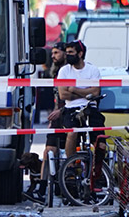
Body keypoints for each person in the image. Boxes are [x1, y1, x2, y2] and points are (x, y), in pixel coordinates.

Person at [57, 39, 105, 168]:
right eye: (66, 52)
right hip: (71, 109)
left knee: (101, 143)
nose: (67, 55)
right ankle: (71, 166)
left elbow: (95, 92)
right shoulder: (64, 71)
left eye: (71, 52)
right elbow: (63, 95)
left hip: (90, 108)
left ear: (80, 53)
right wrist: (85, 92)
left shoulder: (93, 70)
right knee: (71, 133)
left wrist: (73, 89)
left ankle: (98, 170)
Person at [38, 43, 68, 198]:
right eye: (52, 53)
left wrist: (60, 111)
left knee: (67, 153)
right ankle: (42, 189)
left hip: (69, 114)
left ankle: (64, 185)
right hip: (55, 117)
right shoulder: (53, 72)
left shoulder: (69, 71)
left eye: (56, 53)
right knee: (49, 151)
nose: (53, 56)